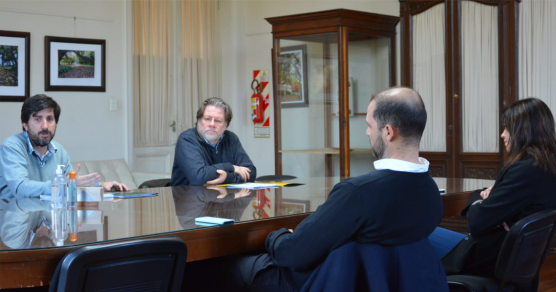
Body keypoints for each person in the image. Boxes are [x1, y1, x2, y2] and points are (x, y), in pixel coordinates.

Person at [184, 87, 445, 291]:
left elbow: (293, 254)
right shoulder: (430, 192)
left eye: (369, 126)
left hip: (315, 281)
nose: (367, 133)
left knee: (203, 268)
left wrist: (276, 236)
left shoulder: (357, 193)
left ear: (388, 132)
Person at [429, 98, 556, 289]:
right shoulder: (547, 167)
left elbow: (476, 223)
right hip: (510, 262)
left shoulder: (525, 171)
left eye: (507, 128)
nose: (502, 135)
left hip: (485, 258)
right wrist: (489, 202)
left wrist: (481, 201)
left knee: (415, 234)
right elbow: (483, 201)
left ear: (524, 131)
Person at [0, 94, 129, 201]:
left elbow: (72, 184)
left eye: (50, 119)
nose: (45, 126)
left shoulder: (59, 151)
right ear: (26, 125)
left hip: (48, 219)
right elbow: (20, 188)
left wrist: (101, 186)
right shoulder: (12, 147)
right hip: (17, 220)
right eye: (38, 119)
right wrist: (66, 184)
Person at [171, 97, 256, 186]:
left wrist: (227, 177)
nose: (212, 124)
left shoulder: (231, 138)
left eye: (218, 121)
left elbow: (251, 173)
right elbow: (199, 177)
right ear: (199, 121)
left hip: (224, 197)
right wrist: (231, 167)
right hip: (190, 197)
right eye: (207, 119)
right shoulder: (187, 139)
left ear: (226, 125)